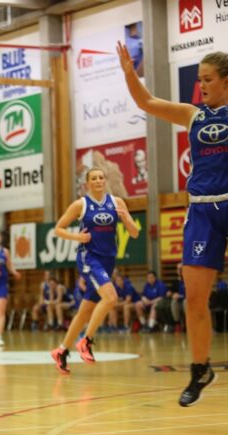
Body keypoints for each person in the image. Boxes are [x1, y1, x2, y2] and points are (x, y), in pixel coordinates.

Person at [117, 43, 228, 406]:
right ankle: (200, 370)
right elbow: (147, 102)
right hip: (202, 211)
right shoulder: (193, 115)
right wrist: (130, 74)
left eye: (208, 79)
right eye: (200, 79)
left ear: (226, 81)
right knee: (194, 298)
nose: (202, 85)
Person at [50, 168, 139, 375]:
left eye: (101, 178)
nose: (98, 181)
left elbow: (134, 233)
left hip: (108, 260)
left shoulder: (117, 202)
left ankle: (61, 351)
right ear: (87, 183)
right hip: (89, 258)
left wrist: (126, 219)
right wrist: (77, 237)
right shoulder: (81, 204)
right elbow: (58, 228)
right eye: (94, 178)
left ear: (105, 181)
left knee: (85, 311)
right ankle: (86, 341)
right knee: (111, 297)